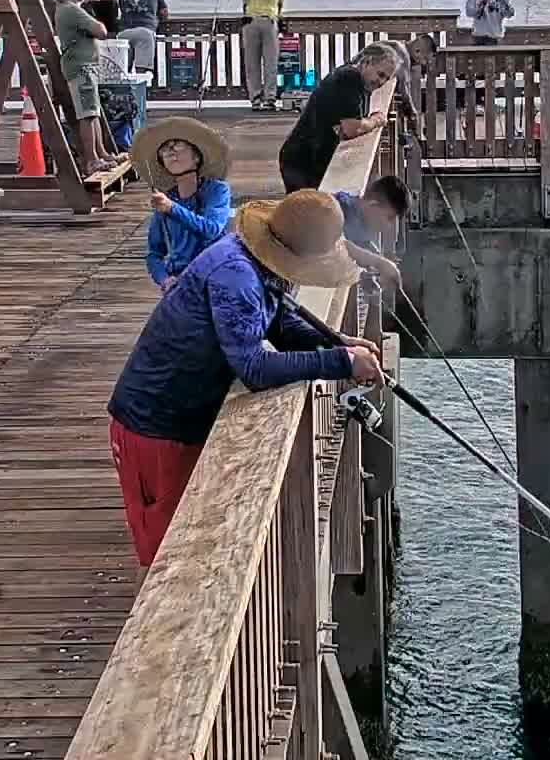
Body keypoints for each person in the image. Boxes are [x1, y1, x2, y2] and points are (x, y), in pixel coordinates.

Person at [106, 189, 383, 566]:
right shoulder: (235, 276)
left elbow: (279, 320)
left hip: (188, 420)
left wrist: (337, 341)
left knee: (189, 546)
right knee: (163, 558)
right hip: (154, 427)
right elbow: (253, 367)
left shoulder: (254, 260)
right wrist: (341, 362)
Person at [278, 42, 401, 193]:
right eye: (380, 74)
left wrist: (363, 122)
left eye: (386, 79)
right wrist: (375, 120)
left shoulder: (357, 78)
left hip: (306, 157)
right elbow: (350, 128)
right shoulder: (350, 79)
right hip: (303, 160)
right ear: (367, 62)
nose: (381, 82)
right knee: (306, 211)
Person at [134, 116, 233, 292]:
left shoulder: (217, 191)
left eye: (178, 145)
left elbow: (211, 229)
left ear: (196, 157)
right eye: (165, 149)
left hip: (216, 276)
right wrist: (164, 279)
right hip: (180, 280)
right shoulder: (165, 200)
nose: (171, 151)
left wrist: (172, 208)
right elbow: (154, 253)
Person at [54, 0, 122, 174]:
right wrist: (96, 20)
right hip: (81, 67)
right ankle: (92, 160)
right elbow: (101, 32)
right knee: (87, 114)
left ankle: (101, 153)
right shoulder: (71, 9)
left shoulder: (67, 8)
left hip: (84, 66)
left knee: (94, 111)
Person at [334, 174, 409, 288]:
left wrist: (365, 273)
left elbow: (359, 248)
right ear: (373, 204)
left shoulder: (362, 230)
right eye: (389, 218)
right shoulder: (339, 211)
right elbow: (337, 247)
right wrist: (379, 263)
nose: (388, 226)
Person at [241, 0, 285, 111]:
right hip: (269, 22)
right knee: (270, 62)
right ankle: (269, 99)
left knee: (251, 63)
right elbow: (279, 7)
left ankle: (255, 98)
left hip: (250, 22)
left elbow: (245, 4)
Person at [117, 0, 169, 75]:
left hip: (124, 32)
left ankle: (124, 90)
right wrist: (158, 18)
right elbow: (164, 12)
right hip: (145, 31)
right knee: (142, 71)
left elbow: (121, 7)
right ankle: (141, 90)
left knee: (123, 70)